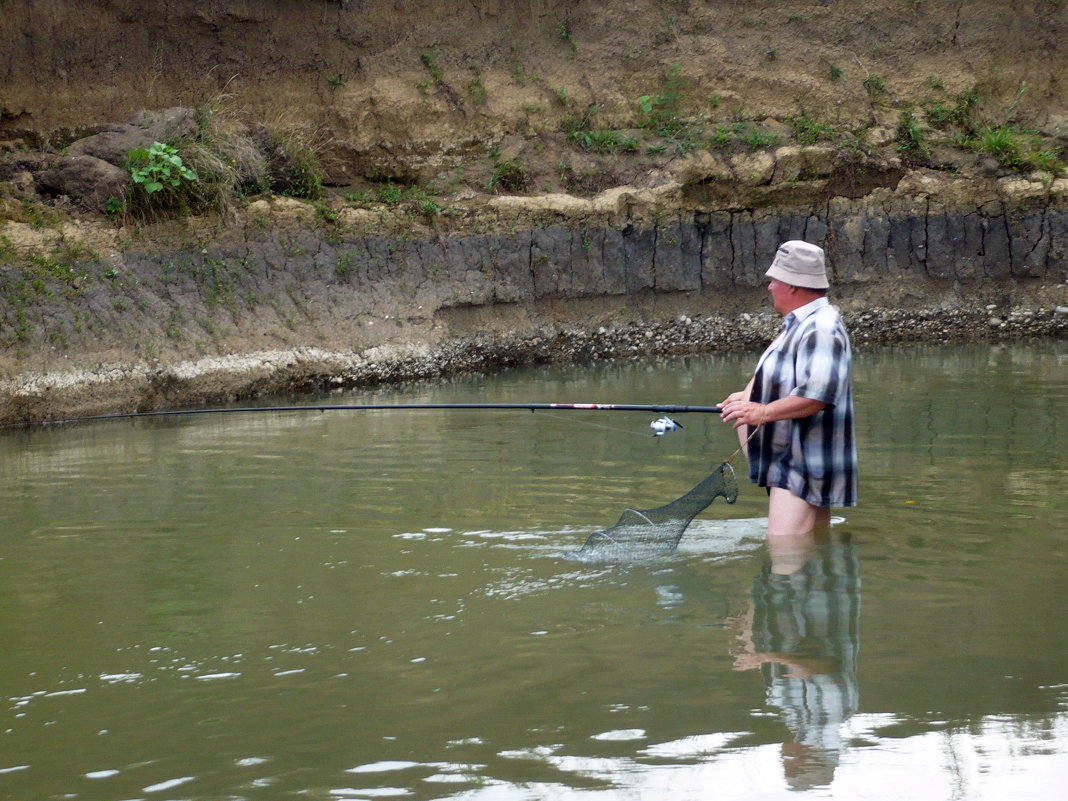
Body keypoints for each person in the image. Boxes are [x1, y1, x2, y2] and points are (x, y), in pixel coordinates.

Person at [719, 241, 857, 536]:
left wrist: (764, 410)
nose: (769, 287)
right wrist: (748, 398)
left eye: (774, 280)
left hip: (801, 464)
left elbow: (817, 395)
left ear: (793, 286)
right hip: (792, 459)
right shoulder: (799, 324)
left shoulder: (820, 328)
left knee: (784, 554)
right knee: (813, 551)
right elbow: (789, 377)